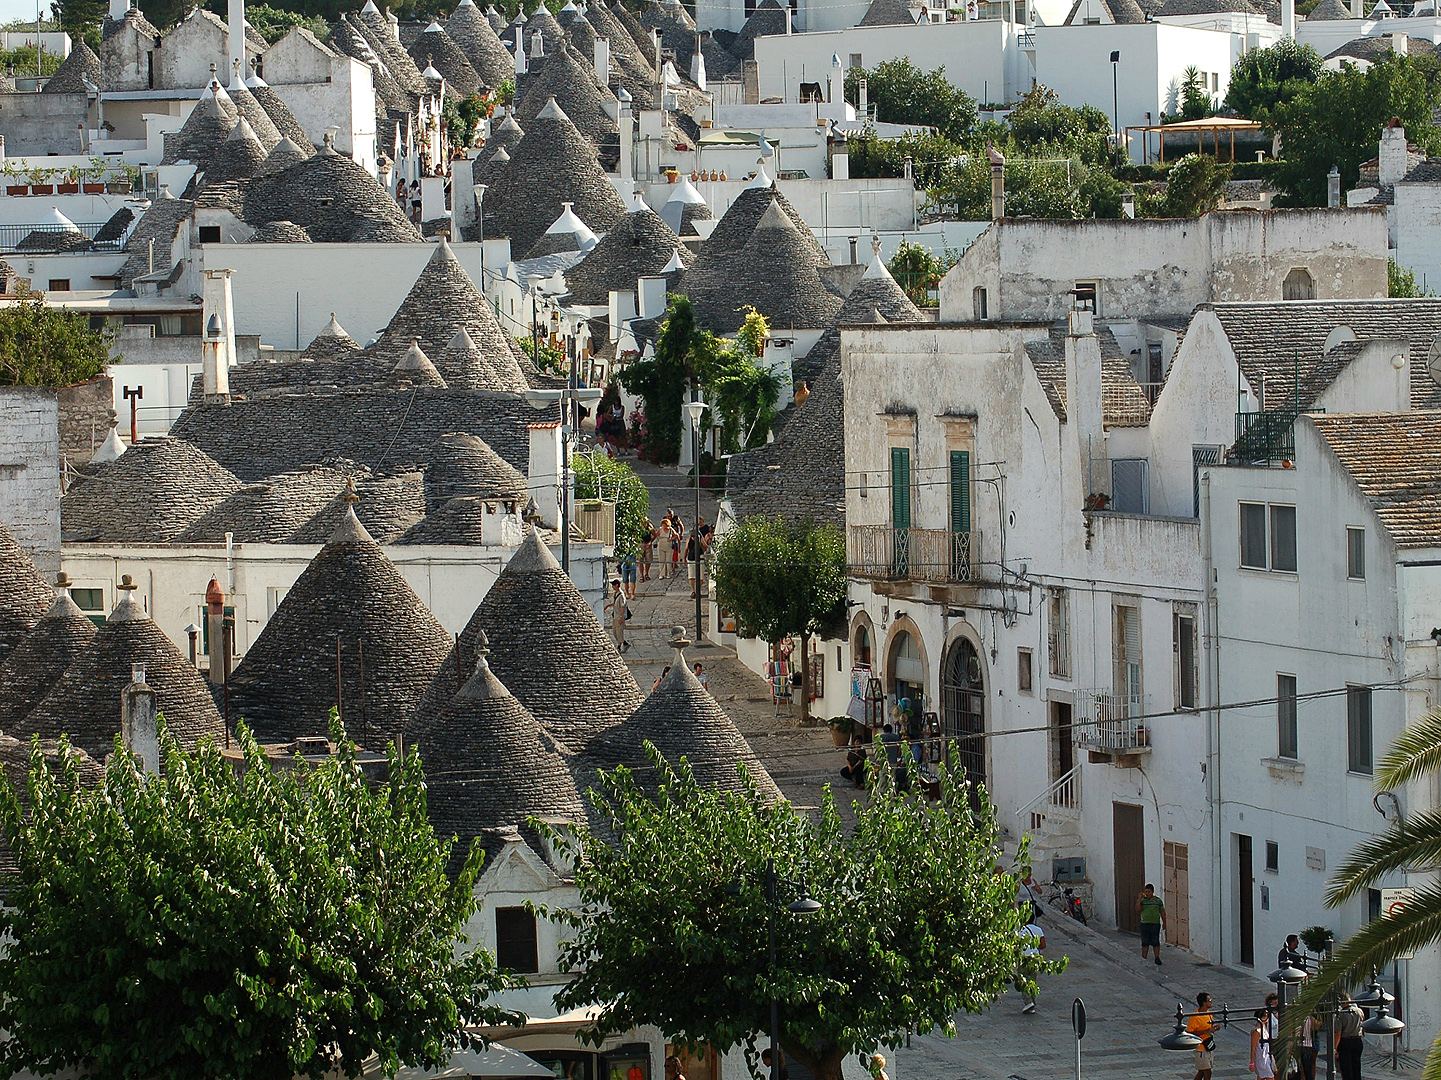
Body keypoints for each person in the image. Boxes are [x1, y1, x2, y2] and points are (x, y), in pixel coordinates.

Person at [1014, 914, 1045, 1014]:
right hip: (1035, 958)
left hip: (1024, 958)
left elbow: (1015, 946)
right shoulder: (1038, 930)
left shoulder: (1019, 931)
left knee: (1023, 980)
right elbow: (1043, 945)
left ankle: (1028, 1002)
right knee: (1032, 980)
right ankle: (1033, 1002)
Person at [1188, 992, 1218, 1080]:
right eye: (1209, 1000)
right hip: (1200, 1047)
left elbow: (1210, 1029)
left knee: (1201, 1072)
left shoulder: (1209, 1014)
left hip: (1208, 1045)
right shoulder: (1195, 1016)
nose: (1211, 1002)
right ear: (1204, 1003)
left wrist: (1214, 1028)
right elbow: (1190, 1032)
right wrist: (1206, 1031)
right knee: (1207, 1072)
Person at [1336, 998, 1365, 1080]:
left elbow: (1338, 1033)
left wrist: (1335, 1048)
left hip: (1346, 1042)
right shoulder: (1359, 1011)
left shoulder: (1342, 1014)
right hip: (1357, 1040)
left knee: (1346, 1069)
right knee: (1356, 1067)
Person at [1136, 883, 1166, 964]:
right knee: (1145, 942)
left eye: (1149, 892)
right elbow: (1138, 910)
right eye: (1146, 892)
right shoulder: (1143, 901)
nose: (1147, 893)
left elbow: (1162, 912)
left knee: (1155, 941)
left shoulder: (1158, 901)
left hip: (1155, 924)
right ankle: (1144, 957)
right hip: (1144, 924)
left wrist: (1164, 922)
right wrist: (1139, 899)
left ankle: (1157, 957)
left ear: (1152, 892)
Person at [1249, 997, 1278, 1080]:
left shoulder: (1264, 1028)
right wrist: (1252, 1063)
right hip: (1261, 1058)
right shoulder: (1256, 1031)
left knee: (1261, 1078)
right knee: (1270, 1077)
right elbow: (1253, 1048)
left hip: (1266, 1057)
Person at [606, 578, 629, 653]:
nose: (612, 586)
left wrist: (622, 617)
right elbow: (615, 603)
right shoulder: (616, 593)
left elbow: (622, 606)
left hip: (619, 616)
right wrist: (608, 605)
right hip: (615, 616)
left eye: (613, 585)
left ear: (616, 585)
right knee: (615, 632)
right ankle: (624, 643)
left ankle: (620, 646)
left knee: (619, 632)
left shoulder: (621, 595)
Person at [1298, 1009, 1320, 1080]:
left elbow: (1317, 1026)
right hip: (1303, 1044)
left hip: (1307, 1044)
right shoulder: (1300, 1018)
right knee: (1303, 1067)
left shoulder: (1310, 1018)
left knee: (1307, 1066)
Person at [685, 523, 706, 598]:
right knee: (691, 576)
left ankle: (698, 590)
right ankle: (693, 590)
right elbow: (686, 549)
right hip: (691, 559)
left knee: (700, 577)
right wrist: (684, 558)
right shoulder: (689, 540)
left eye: (695, 536)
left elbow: (705, 548)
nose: (693, 537)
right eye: (692, 536)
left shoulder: (701, 540)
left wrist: (701, 544)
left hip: (700, 559)